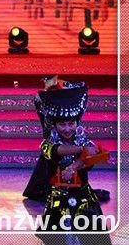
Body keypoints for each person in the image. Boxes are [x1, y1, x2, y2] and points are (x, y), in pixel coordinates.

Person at [35, 85, 112, 245]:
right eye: (62, 124)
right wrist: (82, 150)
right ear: (54, 125)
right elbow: (57, 150)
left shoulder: (85, 141)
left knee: (93, 236)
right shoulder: (47, 144)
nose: (67, 129)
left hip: (83, 197)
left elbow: (94, 155)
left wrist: (74, 167)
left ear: (77, 123)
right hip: (58, 198)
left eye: (71, 123)